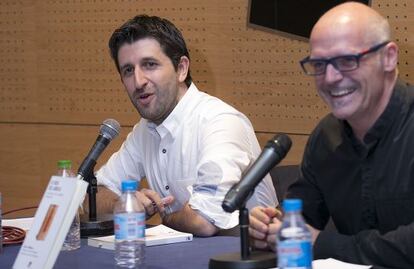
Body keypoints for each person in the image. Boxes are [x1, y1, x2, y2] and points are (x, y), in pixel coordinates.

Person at [249, 2, 414, 268]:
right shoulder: (326, 136)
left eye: (347, 60)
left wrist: (322, 244)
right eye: (319, 64)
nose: (330, 77)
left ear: (389, 57)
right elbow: (300, 218)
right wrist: (272, 225)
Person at [92, 15, 278, 237]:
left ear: (181, 69)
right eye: (128, 70)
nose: (138, 81)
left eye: (150, 65)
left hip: (249, 257)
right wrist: (124, 204)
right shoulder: (145, 130)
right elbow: (94, 195)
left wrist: (165, 215)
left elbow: (203, 222)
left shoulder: (220, 121)